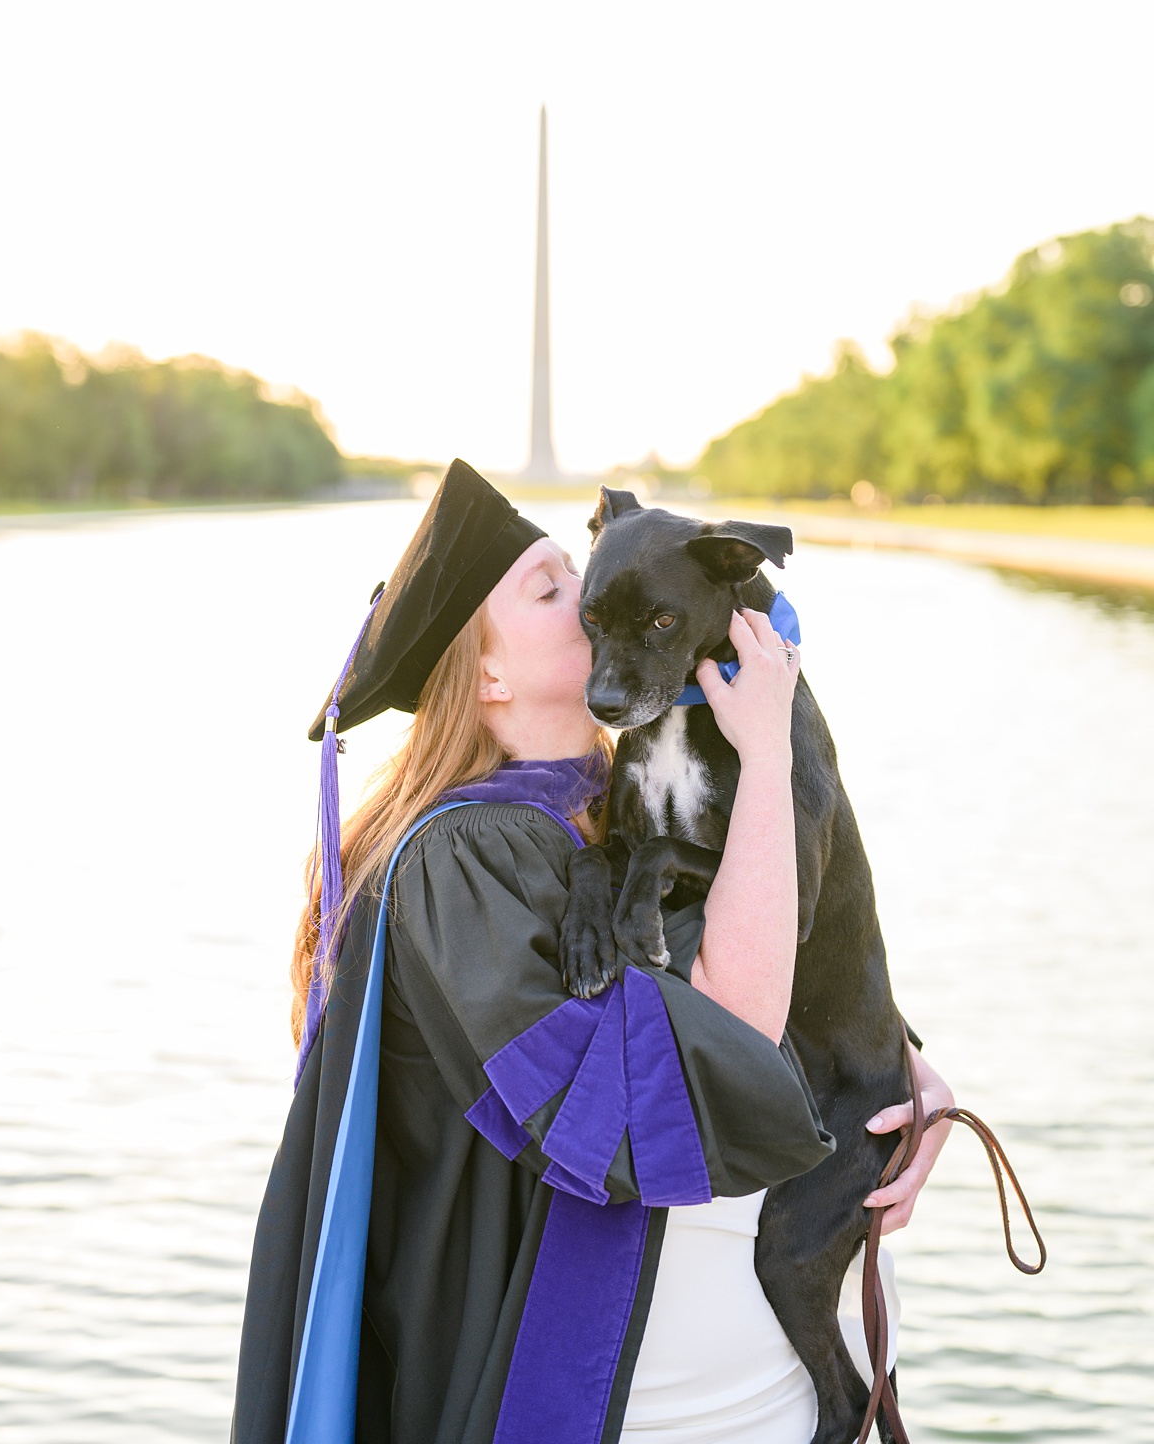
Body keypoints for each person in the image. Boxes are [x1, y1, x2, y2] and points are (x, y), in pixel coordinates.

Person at [233, 462, 954, 1444]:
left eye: (576, 570)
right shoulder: (467, 858)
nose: (590, 594)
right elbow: (719, 1045)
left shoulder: (597, 804)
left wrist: (904, 1071)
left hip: (759, 1367)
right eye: (549, 586)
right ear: (484, 674)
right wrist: (771, 757)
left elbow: (777, 966)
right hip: (640, 1400)